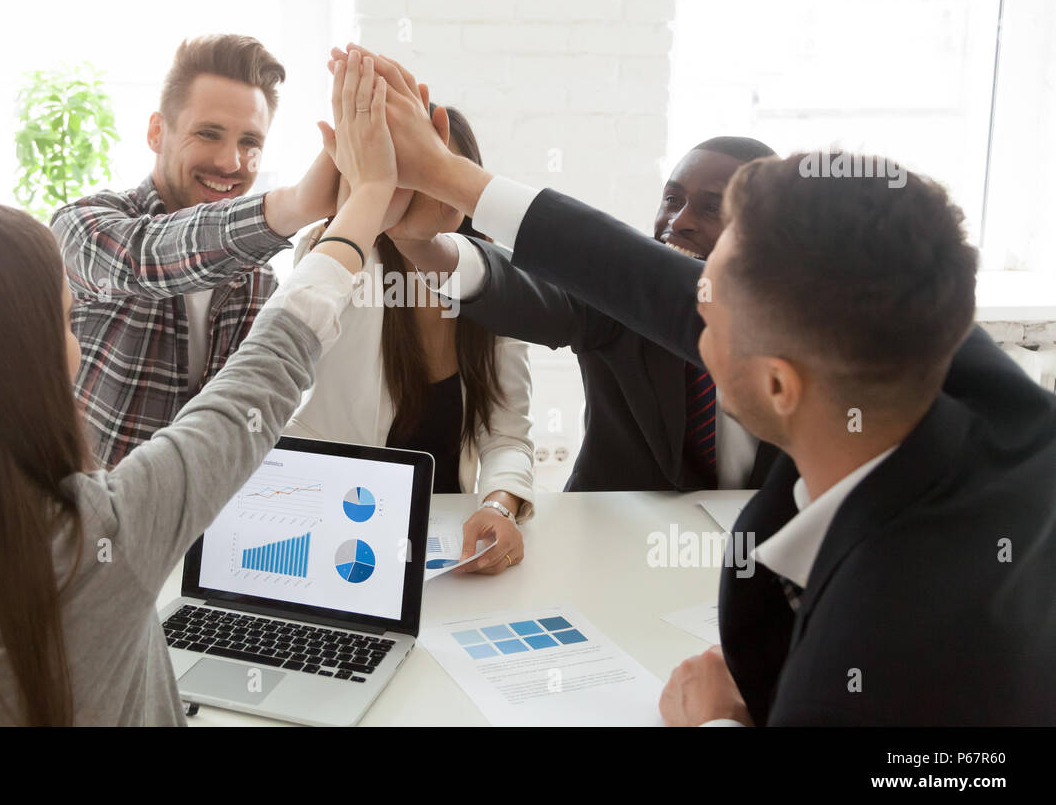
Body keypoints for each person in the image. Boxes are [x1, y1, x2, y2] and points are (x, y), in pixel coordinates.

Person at [344, 44, 1056, 725]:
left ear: (779, 384)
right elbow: (638, 278)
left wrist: (717, 720)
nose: (683, 301)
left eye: (707, 311)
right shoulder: (973, 375)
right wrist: (450, 181)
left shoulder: (857, 663)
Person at [0, 51, 399, 725]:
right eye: (64, 320)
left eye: (249, 143)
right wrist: (356, 202)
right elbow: (253, 384)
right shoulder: (102, 537)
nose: (231, 159)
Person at [390, 135, 781, 491]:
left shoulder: (801, 327)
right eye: (672, 199)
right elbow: (525, 289)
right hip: (606, 543)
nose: (679, 222)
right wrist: (426, 247)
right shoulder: (623, 289)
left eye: (712, 208)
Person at [52, 33, 344, 467]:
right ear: (157, 131)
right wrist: (294, 204)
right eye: (209, 134)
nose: (230, 163)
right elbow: (146, 258)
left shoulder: (260, 280)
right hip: (86, 521)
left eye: (250, 143)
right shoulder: (83, 225)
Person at [290, 105, 535, 575]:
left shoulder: (493, 283)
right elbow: (311, 287)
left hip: (440, 544)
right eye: (407, 174)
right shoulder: (344, 260)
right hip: (328, 528)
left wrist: (500, 506)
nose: (425, 194)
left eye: (440, 175)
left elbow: (507, 436)